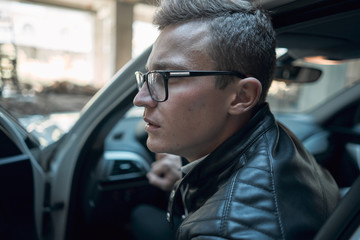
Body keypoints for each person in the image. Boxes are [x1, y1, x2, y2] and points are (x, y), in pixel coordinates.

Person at [132, 0, 340, 239]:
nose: (141, 98)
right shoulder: (275, 137)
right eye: (149, 76)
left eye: (167, 77)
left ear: (242, 96)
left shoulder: (222, 232)